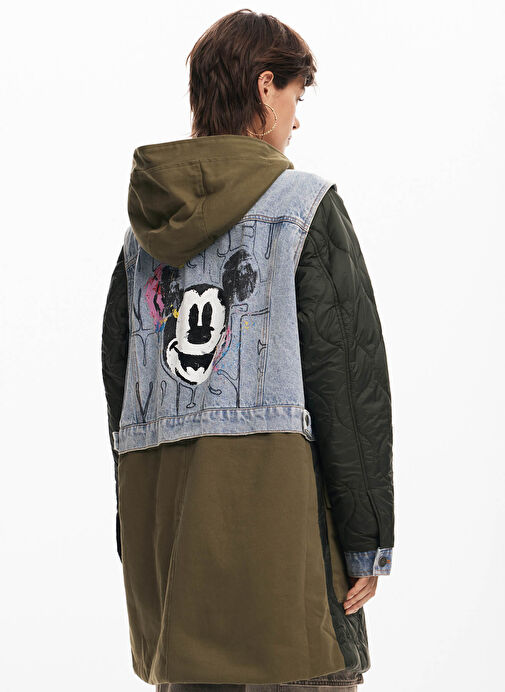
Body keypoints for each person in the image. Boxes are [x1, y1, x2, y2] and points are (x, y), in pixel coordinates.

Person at [101, 9, 394, 692]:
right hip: (285, 569)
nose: (296, 121)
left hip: (173, 571)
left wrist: (133, 539)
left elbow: (121, 401)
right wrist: (365, 539)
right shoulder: (304, 207)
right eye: (295, 97)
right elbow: (347, 382)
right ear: (265, 87)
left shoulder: (141, 240)